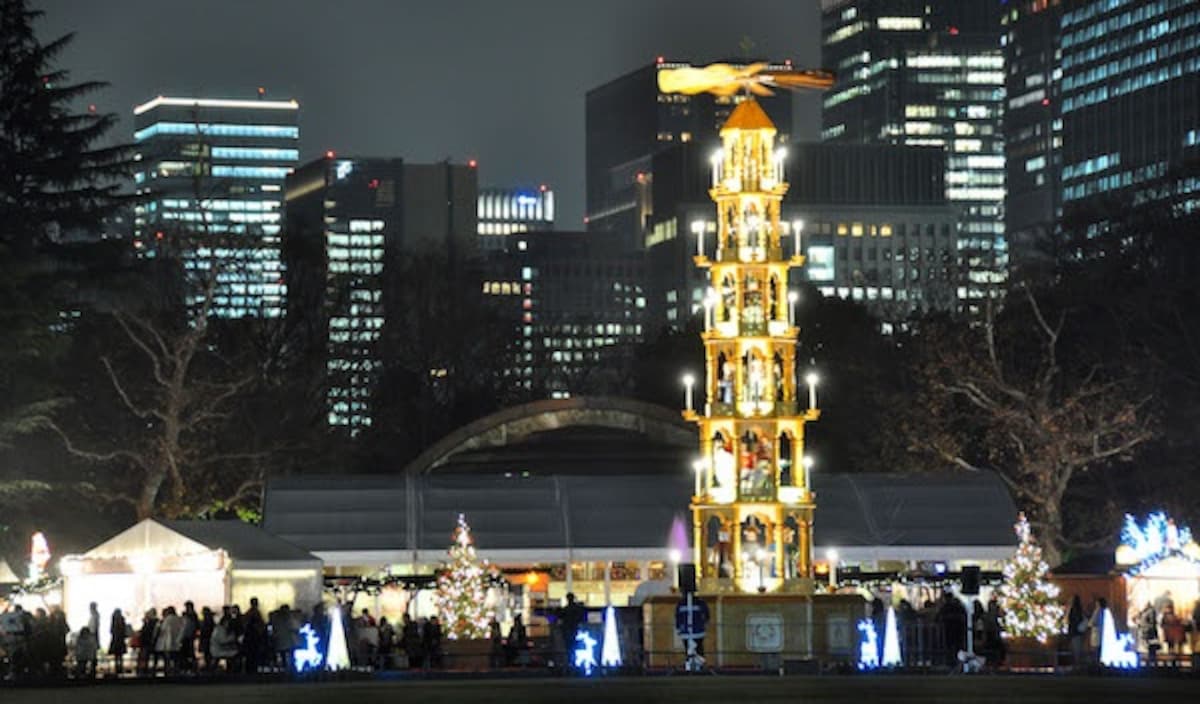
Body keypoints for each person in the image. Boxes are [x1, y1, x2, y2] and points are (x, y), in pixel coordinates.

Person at [155, 606, 183, 675]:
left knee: (167, 658)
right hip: (177, 642)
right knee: (176, 658)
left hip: (168, 642)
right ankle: (176, 671)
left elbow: (163, 630)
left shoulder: (167, 620)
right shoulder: (179, 619)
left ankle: (168, 671)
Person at [137, 608, 158, 676]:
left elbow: (146, 632)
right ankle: (146, 669)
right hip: (150, 642)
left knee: (144, 656)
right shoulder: (156, 622)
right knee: (147, 656)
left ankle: (143, 669)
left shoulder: (151, 622)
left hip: (147, 642)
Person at [109, 608, 128, 677]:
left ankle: (117, 667)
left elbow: (111, 630)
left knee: (116, 656)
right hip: (121, 640)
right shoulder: (122, 619)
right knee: (120, 656)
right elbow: (124, 630)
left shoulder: (113, 619)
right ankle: (121, 667)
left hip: (115, 639)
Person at [199, 607, 215, 672]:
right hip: (208, 639)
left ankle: (209, 666)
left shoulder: (206, 621)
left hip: (206, 639)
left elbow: (205, 630)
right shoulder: (210, 620)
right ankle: (209, 666)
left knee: (207, 653)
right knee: (208, 653)